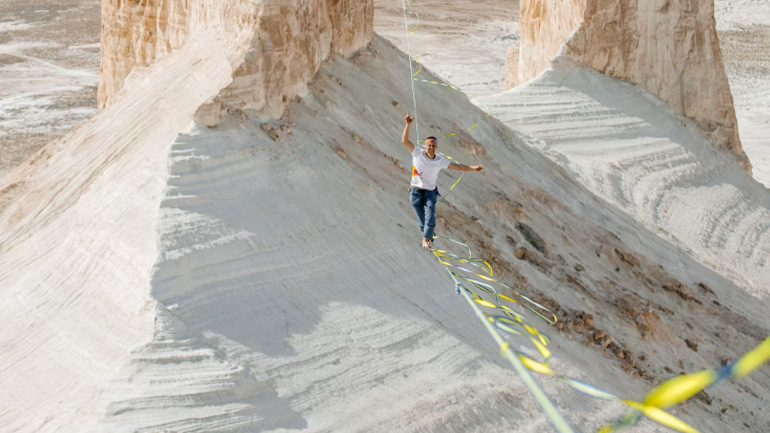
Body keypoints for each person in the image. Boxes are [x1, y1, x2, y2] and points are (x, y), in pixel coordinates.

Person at [402, 113, 483, 249]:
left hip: (430, 193)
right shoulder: (417, 153)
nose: (431, 147)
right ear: (425, 146)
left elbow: (459, 167)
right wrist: (408, 125)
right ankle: (427, 235)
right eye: (429, 145)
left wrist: (474, 168)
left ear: (436, 147)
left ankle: (426, 239)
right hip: (415, 191)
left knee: (430, 215)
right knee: (421, 217)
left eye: (434, 146)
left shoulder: (440, 160)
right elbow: (405, 141)